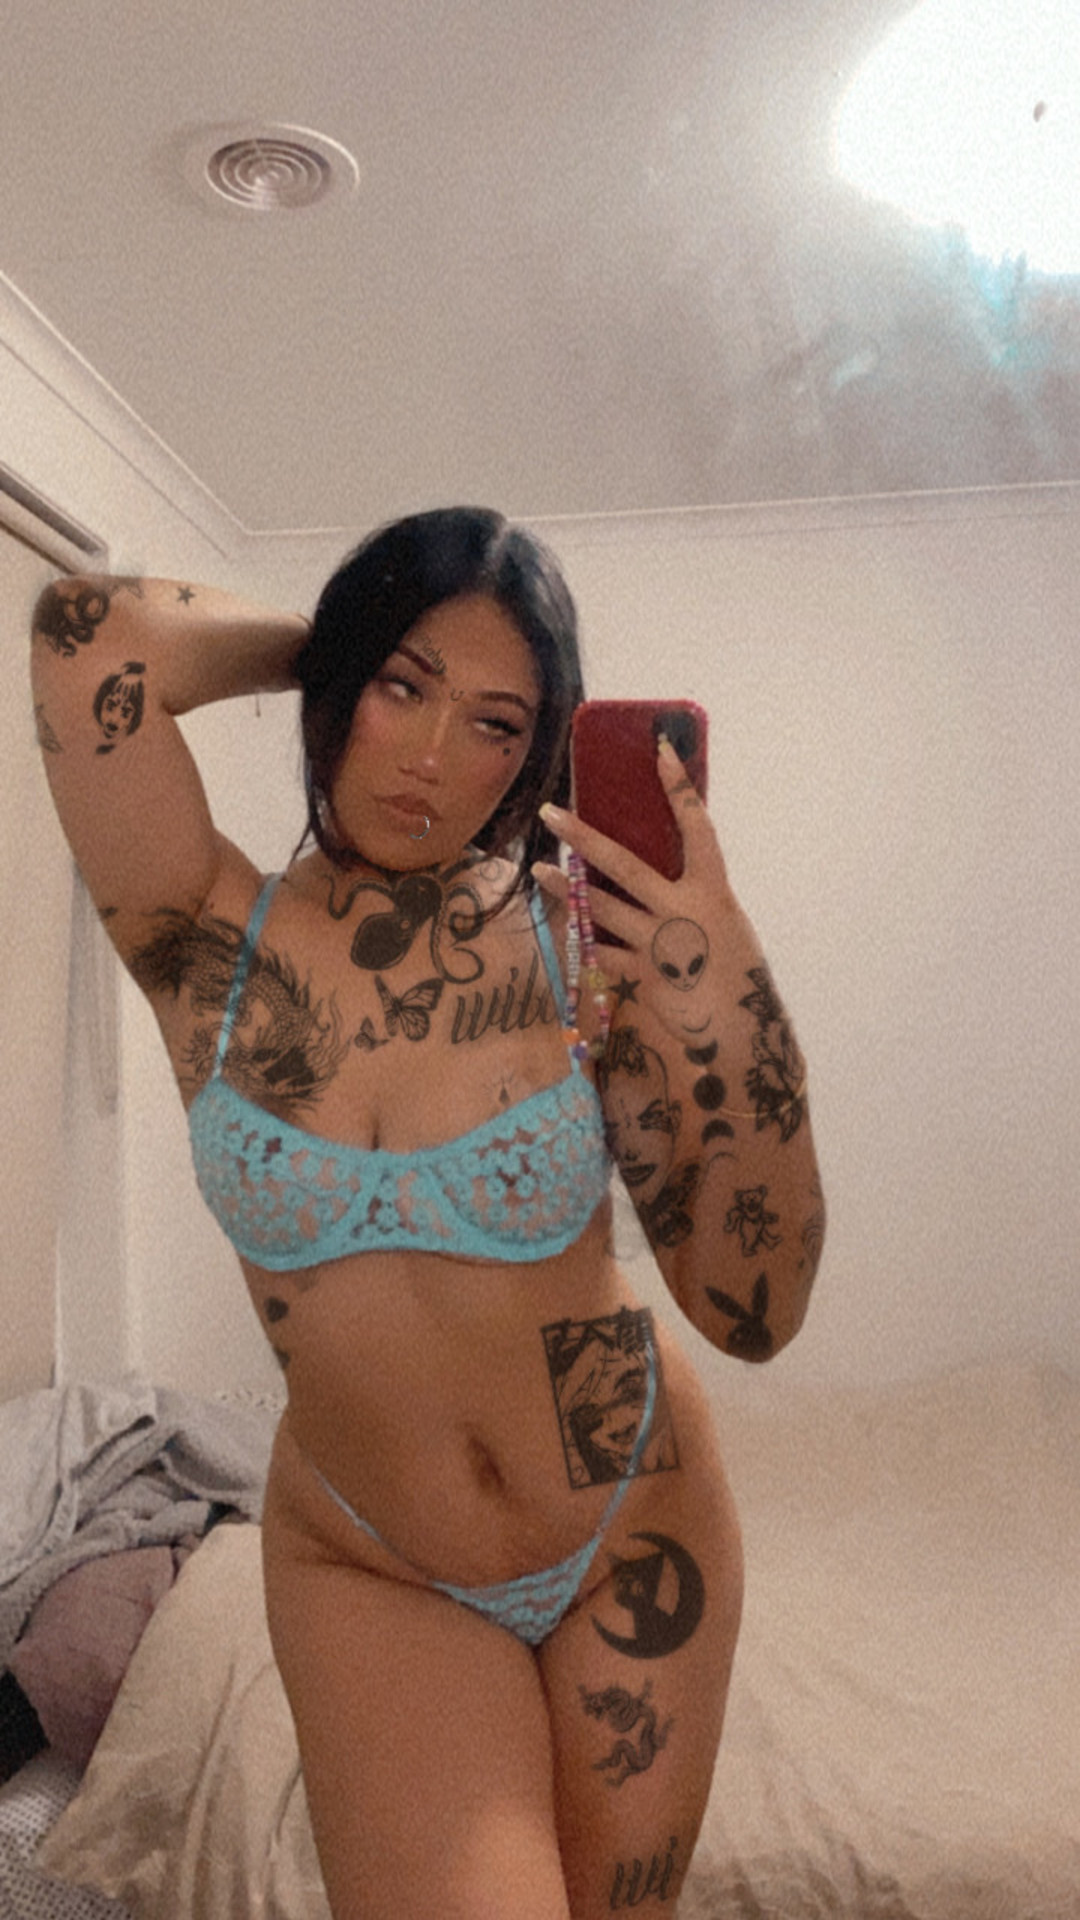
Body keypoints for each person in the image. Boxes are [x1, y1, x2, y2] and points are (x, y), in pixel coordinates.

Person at [31, 507, 825, 1920]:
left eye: (497, 725)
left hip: (630, 1514)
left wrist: (727, 997)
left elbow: (750, 1305)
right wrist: (341, 642)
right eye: (403, 688)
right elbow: (86, 639)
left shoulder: (579, 949)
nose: (434, 756)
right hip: (376, 1557)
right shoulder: (205, 936)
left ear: (536, 754)